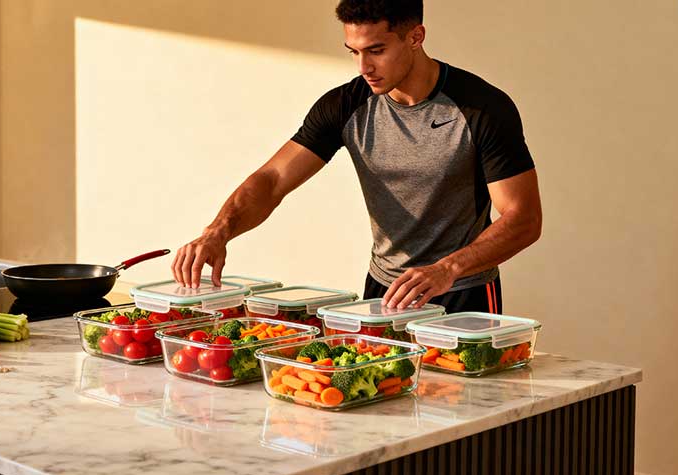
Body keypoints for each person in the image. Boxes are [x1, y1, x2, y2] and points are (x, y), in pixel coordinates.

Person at [171, 0, 542, 314]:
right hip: (383, 290)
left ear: (416, 37)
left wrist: (447, 269)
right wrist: (218, 231)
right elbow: (272, 180)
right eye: (354, 51)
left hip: (463, 292)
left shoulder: (482, 108)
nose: (363, 67)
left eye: (376, 51)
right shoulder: (347, 104)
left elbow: (523, 218)